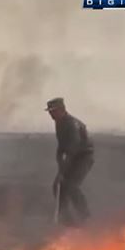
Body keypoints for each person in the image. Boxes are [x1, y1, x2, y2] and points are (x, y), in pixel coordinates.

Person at [45, 97, 94, 227]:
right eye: (49, 112)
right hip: (71, 157)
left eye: (53, 111)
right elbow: (61, 147)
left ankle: (86, 217)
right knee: (58, 186)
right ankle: (66, 218)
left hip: (83, 157)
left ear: (62, 110)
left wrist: (63, 171)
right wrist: (60, 163)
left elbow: (72, 149)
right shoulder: (59, 123)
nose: (51, 114)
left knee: (72, 186)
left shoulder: (72, 124)